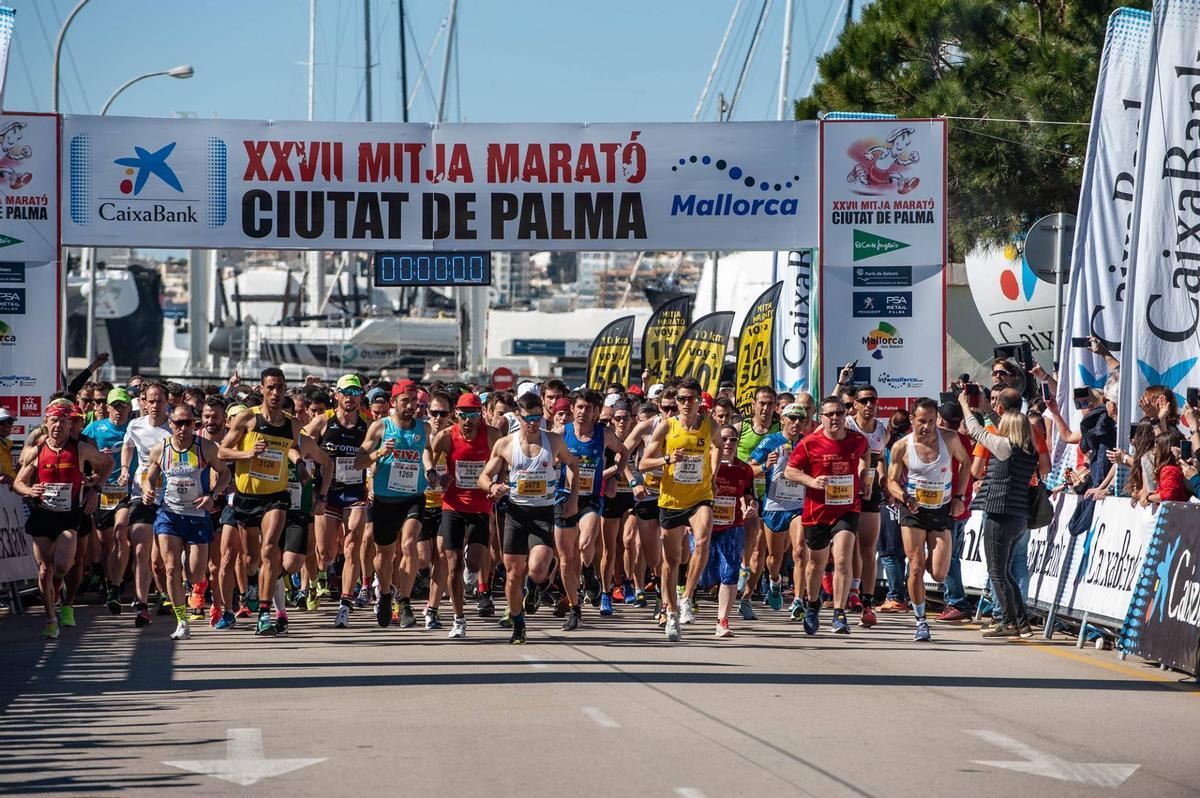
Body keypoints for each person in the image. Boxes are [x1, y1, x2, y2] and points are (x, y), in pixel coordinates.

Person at [221, 368, 328, 636]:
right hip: (247, 497)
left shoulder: (292, 424)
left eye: (280, 387)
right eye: (271, 387)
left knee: (270, 549)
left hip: (276, 496)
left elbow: (295, 447)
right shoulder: (248, 418)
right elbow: (223, 451)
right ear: (263, 389)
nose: (276, 392)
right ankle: (253, 583)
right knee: (250, 559)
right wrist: (248, 453)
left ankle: (265, 612)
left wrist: (300, 463)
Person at [477, 391, 578, 644]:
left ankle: (533, 586)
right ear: (518, 416)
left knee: (538, 569)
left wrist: (573, 498)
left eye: (537, 418)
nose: (533, 423)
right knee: (513, 574)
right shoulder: (505, 444)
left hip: (543, 513)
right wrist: (492, 487)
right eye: (527, 418)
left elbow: (573, 465)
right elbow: (483, 477)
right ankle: (518, 624)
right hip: (516, 514)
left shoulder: (553, 441)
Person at [14, 403, 113, 639]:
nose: (58, 426)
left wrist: (95, 490)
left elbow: (108, 463)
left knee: (62, 565)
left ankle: (60, 588)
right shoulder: (37, 451)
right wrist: (29, 490)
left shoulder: (80, 448)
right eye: (54, 421)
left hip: (69, 516)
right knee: (43, 571)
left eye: (64, 422)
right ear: (46, 423)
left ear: (70, 426)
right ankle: (50, 620)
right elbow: (18, 482)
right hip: (43, 514)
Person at [884, 398, 971, 642]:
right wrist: (904, 497)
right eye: (922, 421)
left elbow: (966, 462)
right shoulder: (902, 446)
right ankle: (921, 620)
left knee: (939, 574)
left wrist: (960, 496)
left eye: (932, 421)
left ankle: (928, 571)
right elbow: (891, 480)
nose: (927, 426)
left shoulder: (949, 439)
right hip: (913, 510)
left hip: (941, 510)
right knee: (915, 565)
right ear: (912, 419)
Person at [640, 378, 720, 641]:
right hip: (672, 501)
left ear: (699, 400)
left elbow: (719, 447)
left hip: (700, 497)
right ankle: (672, 612)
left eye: (691, 398)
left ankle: (687, 597)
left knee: (703, 539)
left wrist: (713, 475)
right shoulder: (667, 426)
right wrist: (667, 459)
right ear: (676, 401)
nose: (686, 403)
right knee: (671, 562)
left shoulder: (709, 425)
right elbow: (643, 463)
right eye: (682, 399)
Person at [784, 396, 870, 636]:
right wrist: (812, 481)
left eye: (839, 413)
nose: (835, 418)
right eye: (830, 414)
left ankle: (839, 613)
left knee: (842, 558)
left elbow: (866, 455)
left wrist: (864, 479)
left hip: (847, 508)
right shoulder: (810, 443)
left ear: (845, 415)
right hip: (817, 511)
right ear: (820, 418)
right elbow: (790, 471)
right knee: (816, 564)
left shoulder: (857, 440)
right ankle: (813, 604)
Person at [143, 403, 230, 640]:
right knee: (171, 569)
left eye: (188, 423)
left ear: (194, 424)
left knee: (195, 575)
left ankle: (190, 572)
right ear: (170, 424)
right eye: (179, 423)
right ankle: (182, 621)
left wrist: (213, 495)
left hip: (197, 516)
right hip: (169, 515)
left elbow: (225, 474)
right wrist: (148, 490)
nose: (183, 428)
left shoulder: (206, 447)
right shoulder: (160, 450)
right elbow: (149, 478)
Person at [353, 380, 435, 629]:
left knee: (409, 544)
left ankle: (405, 601)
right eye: (405, 401)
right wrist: (379, 453)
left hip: (413, 497)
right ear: (393, 402)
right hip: (385, 499)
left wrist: (430, 470)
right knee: (384, 555)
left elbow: (426, 450)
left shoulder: (424, 427)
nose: (411, 406)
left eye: (414, 401)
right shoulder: (380, 427)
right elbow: (358, 462)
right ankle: (386, 594)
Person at [959, 387, 1039, 638]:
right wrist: (986, 409)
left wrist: (965, 405)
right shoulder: (1029, 451)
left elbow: (976, 431)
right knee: (1005, 572)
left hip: (999, 513)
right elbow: (997, 425)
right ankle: (1020, 622)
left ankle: (1010, 622)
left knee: (996, 571)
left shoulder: (1004, 447)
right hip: (1019, 517)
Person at [553, 390, 627, 631]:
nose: (584, 412)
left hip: (590, 500)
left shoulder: (604, 434)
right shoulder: (561, 433)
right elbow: (545, 458)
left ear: (595, 412)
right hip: (564, 498)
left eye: (589, 408)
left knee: (585, 544)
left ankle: (587, 571)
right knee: (567, 559)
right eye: (580, 407)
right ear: (572, 409)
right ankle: (575, 607)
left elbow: (624, 452)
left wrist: (615, 476)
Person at [430, 391, 500, 638]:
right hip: (453, 506)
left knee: (474, 563)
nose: (468, 421)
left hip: (480, 506)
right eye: (464, 415)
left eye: (473, 415)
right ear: (456, 415)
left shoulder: (492, 435)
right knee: (453, 565)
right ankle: (458, 619)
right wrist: (436, 477)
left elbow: (504, 459)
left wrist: (497, 483)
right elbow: (428, 458)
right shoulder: (446, 436)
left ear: (481, 416)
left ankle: (472, 574)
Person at [303, 375, 370, 621]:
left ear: (361, 396)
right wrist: (308, 464)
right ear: (337, 395)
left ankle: (345, 603)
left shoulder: (367, 423)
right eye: (346, 392)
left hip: (355, 492)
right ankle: (315, 581)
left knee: (352, 545)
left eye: (355, 392)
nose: (350, 397)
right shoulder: (324, 420)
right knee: (325, 552)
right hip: (327, 493)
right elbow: (300, 441)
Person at [748, 402, 810, 619]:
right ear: (782, 419)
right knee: (775, 557)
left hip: (798, 505)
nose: (796, 423)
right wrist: (766, 465)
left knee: (799, 550)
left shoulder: (807, 443)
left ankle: (798, 601)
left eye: (800, 419)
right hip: (774, 505)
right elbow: (749, 470)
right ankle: (774, 579)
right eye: (792, 418)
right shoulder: (770, 441)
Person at [119, 382, 172, 628]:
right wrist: (124, 469)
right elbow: (127, 446)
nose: (155, 405)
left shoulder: (174, 428)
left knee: (159, 562)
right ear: (143, 402)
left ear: (167, 402)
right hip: (141, 495)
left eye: (159, 400)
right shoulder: (135, 425)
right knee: (140, 550)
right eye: (150, 401)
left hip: (169, 498)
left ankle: (169, 595)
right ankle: (141, 605)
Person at [83, 388, 133, 614]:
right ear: (107, 407)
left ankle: (116, 585)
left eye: (123, 405)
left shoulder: (134, 428)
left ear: (129, 408)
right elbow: (81, 454)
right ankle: (109, 581)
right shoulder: (94, 428)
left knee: (121, 533)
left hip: (127, 490)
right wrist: (95, 459)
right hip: (102, 490)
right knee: (106, 544)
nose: (118, 410)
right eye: (115, 405)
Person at [844, 383, 887, 626]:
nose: (870, 405)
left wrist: (883, 479)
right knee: (846, 544)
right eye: (864, 401)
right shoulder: (846, 425)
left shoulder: (881, 429)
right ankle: (849, 590)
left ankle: (867, 603)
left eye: (873, 400)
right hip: (845, 490)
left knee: (868, 547)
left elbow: (879, 457)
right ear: (855, 405)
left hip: (870, 490)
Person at [708, 425, 757, 637]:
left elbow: (749, 495)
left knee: (730, 571)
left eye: (733, 440)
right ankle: (686, 598)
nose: (728, 443)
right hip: (705, 526)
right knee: (706, 576)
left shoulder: (745, 470)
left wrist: (751, 506)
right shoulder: (705, 463)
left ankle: (723, 620)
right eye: (723, 439)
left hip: (732, 525)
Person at [735, 386, 779, 619]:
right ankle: (738, 572)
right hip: (742, 491)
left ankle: (746, 598)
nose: (766, 408)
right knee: (743, 543)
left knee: (759, 547)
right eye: (762, 403)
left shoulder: (781, 429)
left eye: (770, 404)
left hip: (770, 493)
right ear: (753, 404)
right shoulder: (740, 428)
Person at [417, 391, 455, 630]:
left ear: (451, 414)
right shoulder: (419, 433)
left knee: (441, 556)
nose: (438, 418)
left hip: (445, 504)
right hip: (419, 503)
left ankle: (432, 609)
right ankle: (400, 594)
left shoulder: (454, 437)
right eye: (434, 412)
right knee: (422, 558)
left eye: (443, 413)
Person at [598, 401, 635, 615]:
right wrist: (615, 471)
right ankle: (606, 592)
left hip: (633, 499)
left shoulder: (637, 438)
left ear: (632, 419)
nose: (622, 422)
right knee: (610, 550)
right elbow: (597, 474)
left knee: (628, 541)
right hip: (611, 497)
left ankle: (628, 582)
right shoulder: (607, 441)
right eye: (618, 418)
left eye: (625, 418)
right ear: (612, 420)